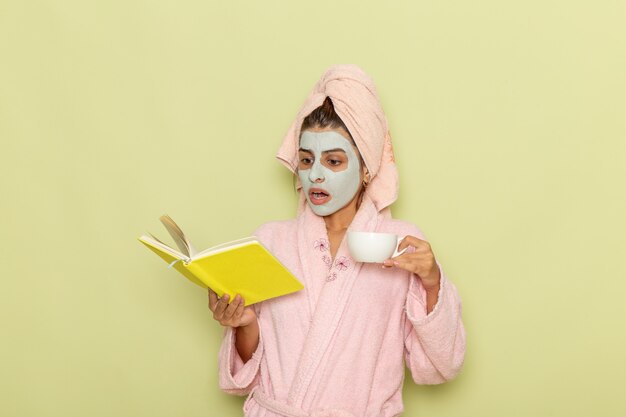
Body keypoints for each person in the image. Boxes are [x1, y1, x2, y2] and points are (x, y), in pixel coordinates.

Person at [208, 65, 466, 417]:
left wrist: (433, 283)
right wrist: (244, 323)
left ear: (366, 169)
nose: (315, 174)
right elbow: (245, 377)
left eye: (333, 160)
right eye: (306, 159)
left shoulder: (400, 244)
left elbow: (441, 366)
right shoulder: (270, 241)